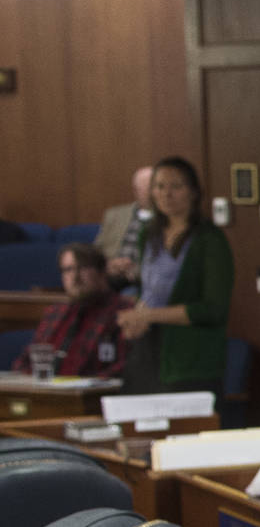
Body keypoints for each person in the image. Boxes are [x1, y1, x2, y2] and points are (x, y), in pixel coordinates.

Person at [115, 156, 234, 395]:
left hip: (189, 358)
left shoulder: (209, 240)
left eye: (176, 186)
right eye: (159, 186)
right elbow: (147, 290)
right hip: (147, 350)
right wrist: (137, 318)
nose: (166, 194)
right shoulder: (148, 235)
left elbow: (213, 309)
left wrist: (150, 315)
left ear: (193, 192)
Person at [13, 243, 131, 377]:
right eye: (68, 270)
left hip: (93, 394)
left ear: (101, 272)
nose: (75, 278)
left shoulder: (123, 312)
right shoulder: (56, 313)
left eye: (83, 268)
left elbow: (125, 367)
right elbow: (25, 361)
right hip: (47, 392)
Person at [96, 165, 154, 284]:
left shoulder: (169, 219)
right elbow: (96, 249)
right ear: (135, 190)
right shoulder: (114, 215)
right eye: (145, 189)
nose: (151, 193)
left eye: (152, 188)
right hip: (108, 274)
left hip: (140, 279)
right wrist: (109, 265)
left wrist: (133, 271)